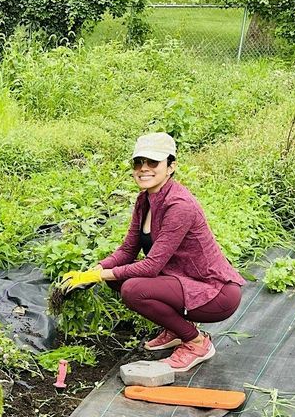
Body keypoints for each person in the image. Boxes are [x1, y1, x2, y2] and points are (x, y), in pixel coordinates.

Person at [60, 132, 245, 373]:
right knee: (118, 279)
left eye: (153, 162)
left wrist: (99, 276)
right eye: (139, 162)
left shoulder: (179, 206)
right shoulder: (145, 200)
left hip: (214, 293)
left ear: (171, 166)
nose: (144, 168)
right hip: (182, 281)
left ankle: (196, 343)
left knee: (132, 289)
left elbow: (151, 267)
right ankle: (178, 328)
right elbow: (128, 249)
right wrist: (94, 270)